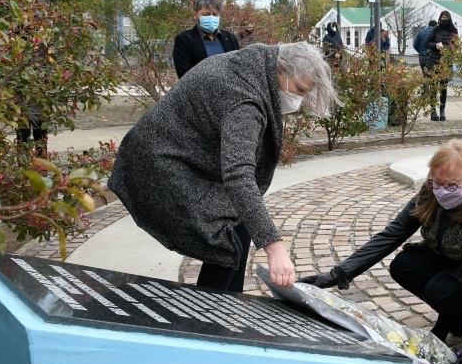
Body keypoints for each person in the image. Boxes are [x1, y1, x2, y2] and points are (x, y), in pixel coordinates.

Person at [109, 42, 339, 291]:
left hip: (179, 155)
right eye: (300, 89)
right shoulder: (245, 98)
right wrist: (275, 248)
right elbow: (238, 174)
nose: (300, 98)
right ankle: (211, 317)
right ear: (282, 69)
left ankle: (231, 307)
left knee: (239, 224)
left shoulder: (254, 64)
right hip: (159, 164)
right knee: (224, 240)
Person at [299, 140, 462, 359]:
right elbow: (393, 233)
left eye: (451, 185)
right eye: (437, 182)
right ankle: (451, 315)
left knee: (439, 289)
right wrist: (339, 274)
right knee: (405, 266)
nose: (442, 191)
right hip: (453, 256)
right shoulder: (431, 192)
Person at [172, 0, 240, 79]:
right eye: (206, 14)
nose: (211, 17)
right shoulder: (184, 40)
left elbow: (238, 69)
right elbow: (184, 75)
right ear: (195, 14)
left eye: (215, 14)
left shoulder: (230, 38)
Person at [424, 10, 459, 121]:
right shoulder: (436, 29)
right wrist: (435, 46)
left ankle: (442, 110)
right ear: (440, 18)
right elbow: (427, 42)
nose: (444, 19)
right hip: (433, 62)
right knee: (433, 87)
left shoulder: (454, 31)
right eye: (442, 17)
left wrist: (444, 47)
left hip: (445, 63)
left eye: (446, 17)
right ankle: (433, 111)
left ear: (449, 18)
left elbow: (455, 46)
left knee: (443, 88)